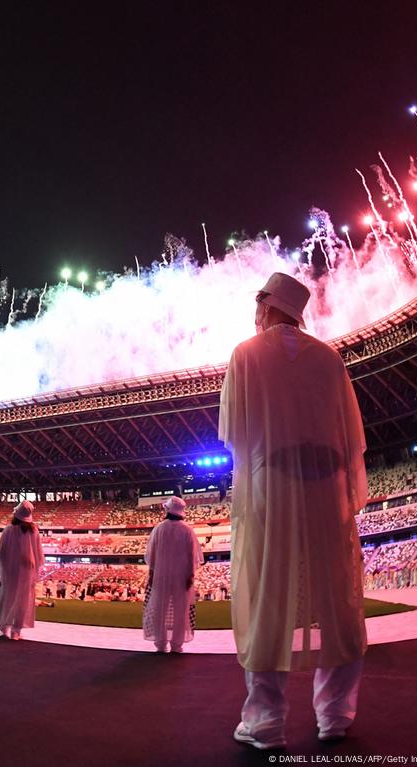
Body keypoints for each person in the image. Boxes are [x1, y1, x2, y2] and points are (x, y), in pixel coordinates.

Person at [219, 272, 368, 750]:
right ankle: (335, 717)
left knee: (267, 599)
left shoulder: (245, 354)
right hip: (327, 495)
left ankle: (265, 723)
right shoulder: (330, 357)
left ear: (267, 304)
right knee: (339, 602)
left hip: (271, 493)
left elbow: (236, 435)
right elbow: (349, 440)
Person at [142, 496, 204, 653]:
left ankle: (160, 644)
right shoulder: (187, 529)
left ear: (168, 510)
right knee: (181, 610)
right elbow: (192, 556)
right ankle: (177, 645)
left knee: (159, 609)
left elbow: (151, 555)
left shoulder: (159, 528)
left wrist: (151, 573)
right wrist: (190, 575)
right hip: (181, 576)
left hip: (160, 575)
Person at [0, 500, 44, 640]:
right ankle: (17, 631)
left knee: (8, 597)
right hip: (27, 571)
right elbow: (39, 554)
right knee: (23, 601)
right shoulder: (34, 531)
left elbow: (1, 553)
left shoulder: (9, 529)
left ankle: (4, 629)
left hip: (11, 571)